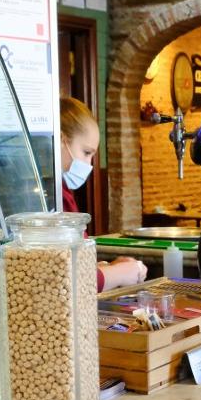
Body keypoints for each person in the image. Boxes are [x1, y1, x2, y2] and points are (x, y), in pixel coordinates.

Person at [60, 96, 148, 291]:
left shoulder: (62, 191)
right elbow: (67, 279)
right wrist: (118, 274)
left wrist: (108, 268)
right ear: (60, 140)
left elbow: (76, 265)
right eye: (86, 152)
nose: (89, 164)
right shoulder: (54, 197)